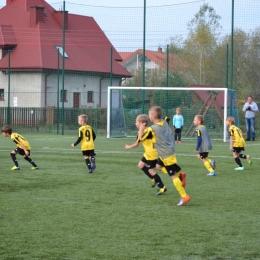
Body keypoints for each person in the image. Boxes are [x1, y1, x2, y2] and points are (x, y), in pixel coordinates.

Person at [139, 106, 190, 206]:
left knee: (172, 176)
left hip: (166, 155)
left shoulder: (151, 129)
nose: (149, 117)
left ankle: (184, 196)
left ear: (153, 116)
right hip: (166, 152)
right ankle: (181, 176)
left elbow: (141, 138)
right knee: (158, 166)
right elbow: (166, 118)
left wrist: (141, 128)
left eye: (149, 115)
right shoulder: (164, 122)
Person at [125, 114, 167, 195]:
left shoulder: (148, 131)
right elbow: (137, 143)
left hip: (151, 154)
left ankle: (162, 187)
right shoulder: (140, 132)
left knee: (151, 170)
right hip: (147, 154)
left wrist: (129, 147)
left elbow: (142, 138)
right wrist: (129, 147)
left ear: (142, 123)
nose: (135, 123)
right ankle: (154, 178)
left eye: (136, 122)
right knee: (140, 165)